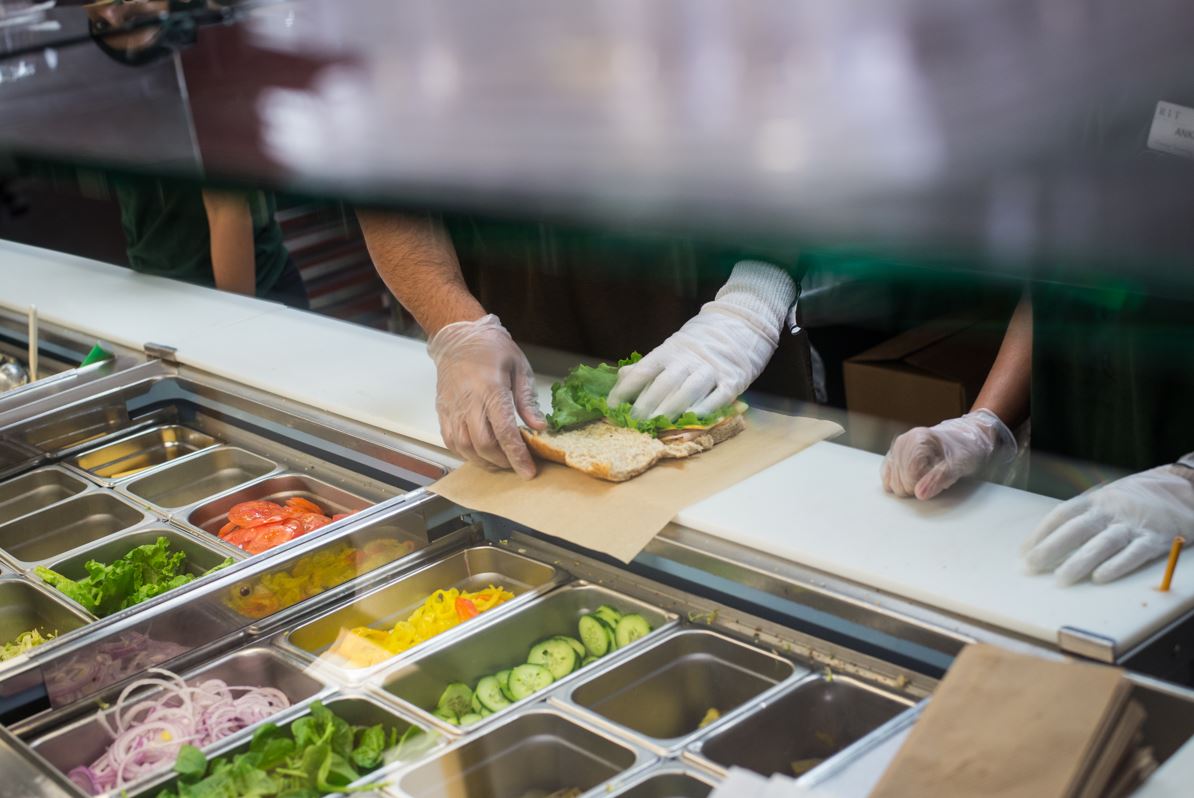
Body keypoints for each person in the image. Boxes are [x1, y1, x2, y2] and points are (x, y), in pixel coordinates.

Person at [358, 212, 800, 478]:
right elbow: (377, 171)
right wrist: (455, 324)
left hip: (718, 322)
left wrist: (751, 304)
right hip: (517, 328)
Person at [881, 289, 1194, 587]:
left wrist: (1183, 487)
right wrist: (982, 425)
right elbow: (1045, 297)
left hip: (1174, 514)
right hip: (1067, 461)